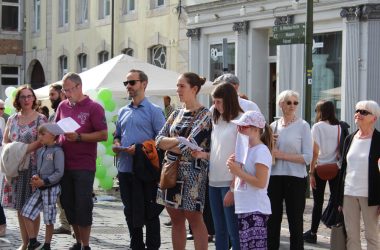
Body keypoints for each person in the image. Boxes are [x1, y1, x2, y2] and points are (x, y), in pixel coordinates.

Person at [156, 72, 212, 250]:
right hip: (171, 170)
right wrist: (179, 141)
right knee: (175, 218)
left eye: (182, 86)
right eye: (177, 86)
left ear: (194, 89)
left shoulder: (205, 115)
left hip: (192, 173)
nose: (177, 90)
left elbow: (190, 146)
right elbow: (158, 140)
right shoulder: (175, 114)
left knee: (194, 217)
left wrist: (172, 143)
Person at [113, 69, 166, 250]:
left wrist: (140, 149)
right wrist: (117, 144)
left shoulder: (154, 111)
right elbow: (117, 134)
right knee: (129, 210)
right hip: (126, 168)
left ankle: (152, 247)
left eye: (132, 82)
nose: (128, 86)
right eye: (126, 83)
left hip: (146, 171)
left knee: (150, 212)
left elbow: (161, 142)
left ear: (144, 84)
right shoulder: (123, 111)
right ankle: (135, 244)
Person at [55, 72, 108, 250]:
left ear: (79, 87)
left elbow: (103, 134)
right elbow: (55, 129)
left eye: (69, 90)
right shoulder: (62, 105)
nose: (66, 94)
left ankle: (86, 245)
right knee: (68, 205)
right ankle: (77, 242)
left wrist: (79, 137)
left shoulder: (94, 107)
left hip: (84, 166)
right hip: (63, 164)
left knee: (83, 205)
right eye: (64, 90)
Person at [192, 82, 243, 250]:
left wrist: (233, 188)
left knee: (233, 231)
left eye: (218, 101)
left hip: (230, 182)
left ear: (229, 100)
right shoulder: (216, 119)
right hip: (213, 180)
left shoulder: (240, 122)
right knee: (219, 230)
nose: (214, 105)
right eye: (214, 101)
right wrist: (203, 155)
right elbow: (217, 152)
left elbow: (241, 157)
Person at [0, 85, 47, 250]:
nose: (26, 99)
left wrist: (23, 150)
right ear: (18, 100)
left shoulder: (41, 119)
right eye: (23, 97)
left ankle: (33, 242)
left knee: (32, 207)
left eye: (29, 96)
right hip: (16, 167)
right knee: (20, 207)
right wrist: (13, 151)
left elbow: (43, 140)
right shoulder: (12, 119)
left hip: (34, 167)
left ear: (34, 98)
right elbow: (5, 141)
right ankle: (25, 242)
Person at [268, 90, 313, 250]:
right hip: (274, 177)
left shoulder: (303, 125)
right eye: (289, 102)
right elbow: (268, 154)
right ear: (281, 104)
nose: (293, 105)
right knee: (272, 220)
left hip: (295, 178)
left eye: (295, 102)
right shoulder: (273, 126)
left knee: (295, 221)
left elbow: (307, 157)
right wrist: (269, 147)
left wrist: (282, 155)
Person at [303, 100, 349, 244]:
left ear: (320, 111)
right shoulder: (340, 127)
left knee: (318, 203)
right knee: (336, 201)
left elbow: (315, 152)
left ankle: (313, 233)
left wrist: (311, 173)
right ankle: (338, 235)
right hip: (336, 168)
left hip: (320, 168)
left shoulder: (317, 127)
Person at [336, 100, 380, 250]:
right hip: (349, 193)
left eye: (364, 112)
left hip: (371, 195)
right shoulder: (350, 138)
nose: (358, 114)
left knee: (372, 236)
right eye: (357, 111)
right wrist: (339, 198)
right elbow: (343, 169)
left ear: (374, 118)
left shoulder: (379, 141)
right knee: (352, 236)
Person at [227, 111, 273, 250]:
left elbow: (261, 182)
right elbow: (241, 176)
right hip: (245, 207)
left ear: (256, 129)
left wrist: (238, 171)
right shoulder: (246, 149)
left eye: (244, 126)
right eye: (239, 126)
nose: (239, 129)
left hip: (255, 208)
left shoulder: (261, 151)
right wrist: (234, 168)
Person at [21, 124, 64, 250]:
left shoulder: (58, 151)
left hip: (51, 189)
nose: (39, 137)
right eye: (39, 134)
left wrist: (44, 181)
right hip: (39, 188)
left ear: (53, 135)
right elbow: (35, 167)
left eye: (43, 134)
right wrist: (35, 176)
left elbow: (59, 172)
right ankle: (33, 242)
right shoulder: (40, 150)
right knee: (26, 212)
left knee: (48, 219)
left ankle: (47, 245)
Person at [47, 84, 71, 236]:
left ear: (61, 94)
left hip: (68, 160)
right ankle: (65, 224)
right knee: (59, 197)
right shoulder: (53, 114)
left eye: (52, 94)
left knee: (68, 196)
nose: (50, 98)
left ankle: (71, 225)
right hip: (55, 161)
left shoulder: (67, 113)